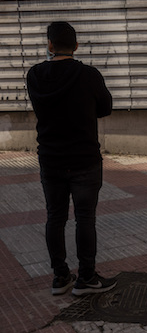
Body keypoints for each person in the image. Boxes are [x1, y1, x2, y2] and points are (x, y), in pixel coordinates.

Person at [26, 21, 116, 296]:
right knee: (85, 218)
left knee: (55, 217)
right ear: (76, 46)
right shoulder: (88, 75)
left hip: (50, 158)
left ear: (50, 45)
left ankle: (60, 276)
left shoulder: (35, 75)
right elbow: (106, 107)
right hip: (84, 159)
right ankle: (86, 277)